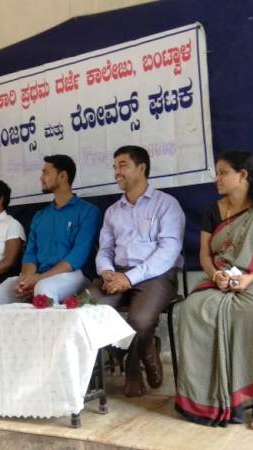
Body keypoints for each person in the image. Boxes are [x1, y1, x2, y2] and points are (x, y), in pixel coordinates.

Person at [171, 151, 253, 429]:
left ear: (243, 175)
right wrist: (216, 276)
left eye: (223, 172)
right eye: (217, 173)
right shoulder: (212, 212)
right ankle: (209, 398)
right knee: (192, 309)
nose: (217, 178)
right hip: (223, 278)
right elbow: (205, 256)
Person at [88, 145, 184, 397]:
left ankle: (132, 368)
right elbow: (105, 250)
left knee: (139, 321)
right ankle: (147, 346)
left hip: (156, 275)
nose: (116, 172)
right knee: (85, 311)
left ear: (142, 168)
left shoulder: (166, 204)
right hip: (117, 273)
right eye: (114, 167)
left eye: (123, 165)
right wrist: (107, 271)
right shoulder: (112, 211)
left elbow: (168, 251)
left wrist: (129, 278)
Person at [0, 155, 99, 304]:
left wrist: (38, 279)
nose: (41, 178)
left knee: (43, 289)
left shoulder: (88, 211)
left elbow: (77, 256)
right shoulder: (40, 216)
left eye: (46, 172)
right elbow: (30, 253)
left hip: (74, 275)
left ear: (63, 176)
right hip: (38, 276)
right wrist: (26, 281)